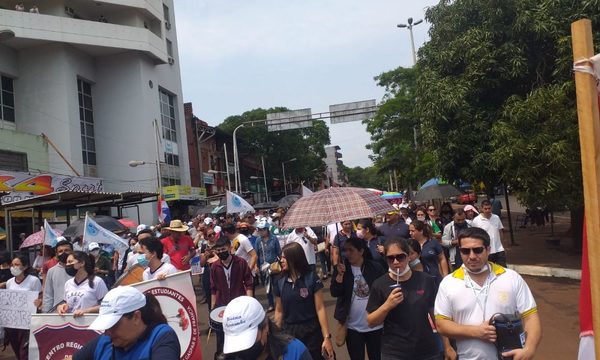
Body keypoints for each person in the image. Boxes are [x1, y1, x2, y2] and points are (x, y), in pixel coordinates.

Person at [434, 227, 541, 360]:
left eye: (478, 250)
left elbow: (531, 317)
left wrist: (529, 350)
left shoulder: (511, 277)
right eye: (465, 251)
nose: (472, 256)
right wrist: (476, 332)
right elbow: (441, 324)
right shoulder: (448, 283)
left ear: (488, 249)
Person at [366, 238, 442, 360]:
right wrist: (387, 305)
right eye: (390, 258)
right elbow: (371, 321)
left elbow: (435, 315)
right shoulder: (379, 284)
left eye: (400, 257)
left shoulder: (425, 279)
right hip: (395, 352)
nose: (395, 262)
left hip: (427, 350)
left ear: (408, 257)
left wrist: (447, 345)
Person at [74, 286, 181, 359]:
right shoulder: (104, 342)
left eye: (113, 324)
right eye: (106, 326)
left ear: (136, 317)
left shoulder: (160, 336)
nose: (107, 332)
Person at [273, 242, 334, 360]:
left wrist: (327, 337)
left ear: (294, 258)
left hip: (312, 333)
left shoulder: (311, 278)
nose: (281, 260)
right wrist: (274, 336)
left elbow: (320, 308)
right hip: (290, 335)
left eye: (285, 257)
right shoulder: (279, 281)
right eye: (281, 257)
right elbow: (279, 312)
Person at [330, 237, 385, 360]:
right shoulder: (342, 269)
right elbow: (335, 292)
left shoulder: (375, 267)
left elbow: (385, 289)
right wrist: (339, 275)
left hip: (375, 326)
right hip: (352, 328)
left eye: (351, 250)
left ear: (361, 251)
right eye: (345, 250)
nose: (347, 253)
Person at [222, 296, 312, 360]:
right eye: (235, 342)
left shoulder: (294, 352)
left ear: (266, 327)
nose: (242, 348)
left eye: (247, 340)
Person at [210, 237, 254, 357]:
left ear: (230, 248)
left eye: (223, 249)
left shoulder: (241, 263)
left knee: (240, 336)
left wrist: (249, 302)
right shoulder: (215, 267)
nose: (220, 252)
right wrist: (213, 308)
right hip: (221, 306)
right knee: (222, 340)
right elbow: (213, 288)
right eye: (218, 251)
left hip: (239, 305)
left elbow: (248, 283)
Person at [4, 253, 42, 360]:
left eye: (17, 264)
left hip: (27, 323)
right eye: (12, 264)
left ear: (25, 266)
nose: (14, 267)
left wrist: (39, 302)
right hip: (13, 322)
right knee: (16, 349)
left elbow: (40, 297)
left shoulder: (33, 280)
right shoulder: (9, 282)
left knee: (24, 352)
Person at [57, 251, 108, 316]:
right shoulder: (68, 283)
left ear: (82, 263)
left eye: (70, 262)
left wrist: (86, 311)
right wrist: (61, 307)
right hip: (71, 323)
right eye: (66, 262)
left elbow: (106, 306)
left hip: (89, 323)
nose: (67, 265)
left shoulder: (97, 281)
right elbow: (67, 303)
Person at [409, 220, 449, 285]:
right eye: (409, 231)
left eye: (413, 231)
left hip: (434, 277)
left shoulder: (433, 242)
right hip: (417, 279)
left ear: (421, 231)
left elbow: (442, 259)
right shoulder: (410, 244)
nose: (410, 233)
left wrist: (445, 276)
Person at [255, 220, 282, 312]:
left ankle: (279, 303)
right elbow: (256, 254)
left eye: (263, 229)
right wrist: (256, 266)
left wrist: (282, 261)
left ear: (267, 229)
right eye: (259, 230)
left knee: (276, 285)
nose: (261, 231)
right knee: (267, 287)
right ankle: (271, 304)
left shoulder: (274, 238)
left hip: (274, 265)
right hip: (264, 267)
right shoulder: (258, 240)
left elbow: (279, 252)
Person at [472, 200, 507, 267]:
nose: (488, 210)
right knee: (488, 271)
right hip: (486, 251)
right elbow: (475, 237)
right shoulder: (476, 220)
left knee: (503, 270)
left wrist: (503, 246)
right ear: (481, 209)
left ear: (492, 208)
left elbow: (500, 232)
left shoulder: (496, 218)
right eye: (485, 209)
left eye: (489, 208)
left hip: (499, 250)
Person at [42, 239, 73, 312]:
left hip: (76, 312)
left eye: (66, 250)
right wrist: (46, 313)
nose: (64, 253)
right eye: (60, 251)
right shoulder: (51, 271)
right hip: (57, 313)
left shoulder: (79, 270)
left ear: (72, 251)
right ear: (56, 254)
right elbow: (48, 295)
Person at [200, 228, 218, 312]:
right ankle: (211, 318)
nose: (212, 236)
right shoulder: (204, 246)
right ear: (206, 237)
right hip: (208, 271)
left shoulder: (219, 244)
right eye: (209, 235)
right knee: (209, 295)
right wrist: (206, 256)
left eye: (213, 233)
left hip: (218, 270)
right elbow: (202, 264)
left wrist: (214, 253)